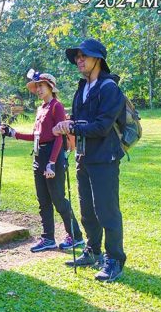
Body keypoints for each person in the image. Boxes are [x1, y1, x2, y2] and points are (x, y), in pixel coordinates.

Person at [53, 38, 128, 282]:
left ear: (98, 59)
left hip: (105, 158)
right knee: (87, 211)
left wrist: (72, 125)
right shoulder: (81, 89)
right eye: (77, 56)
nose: (79, 60)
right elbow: (77, 120)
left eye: (84, 55)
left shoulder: (109, 88)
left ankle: (114, 258)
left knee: (107, 211)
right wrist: (67, 126)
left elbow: (103, 126)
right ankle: (93, 251)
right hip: (83, 158)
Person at [0, 70, 84, 253]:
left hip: (52, 157)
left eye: (41, 85)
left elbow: (59, 137)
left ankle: (76, 236)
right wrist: (13, 133)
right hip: (38, 156)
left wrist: (52, 162)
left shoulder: (57, 106)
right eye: (36, 86)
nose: (38, 89)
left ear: (50, 87)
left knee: (58, 199)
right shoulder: (41, 109)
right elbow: (38, 136)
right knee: (43, 200)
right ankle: (48, 238)